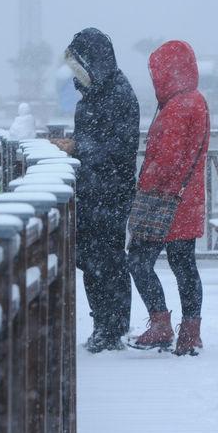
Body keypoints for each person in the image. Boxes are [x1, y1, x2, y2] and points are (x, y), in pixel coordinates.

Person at [53, 28, 140, 353]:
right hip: (92, 191)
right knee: (92, 260)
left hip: (110, 192)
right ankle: (102, 324)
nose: (77, 74)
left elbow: (118, 148)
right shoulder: (96, 93)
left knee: (108, 261)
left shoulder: (117, 94)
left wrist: (77, 147)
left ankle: (112, 327)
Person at [128, 40, 210, 356]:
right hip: (186, 201)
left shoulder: (179, 106)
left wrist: (144, 183)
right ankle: (190, 332)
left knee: (138, 260)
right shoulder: (191, 101)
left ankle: (161, 324)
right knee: (183, 265)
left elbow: (166, 159)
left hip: (165, 200)